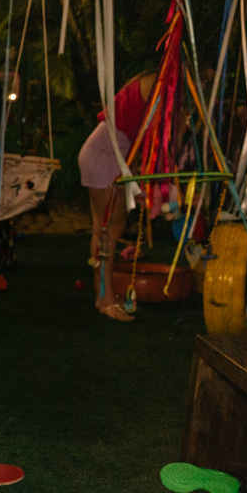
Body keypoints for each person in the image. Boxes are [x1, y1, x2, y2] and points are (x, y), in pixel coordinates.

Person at [77, 71, 157, 321]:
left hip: (106, 153)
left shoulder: (148, 85)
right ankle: (106, 299)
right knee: (109, 229)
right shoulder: (156, 84)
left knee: (104, 228)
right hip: (105, 155)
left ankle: (102, 295)